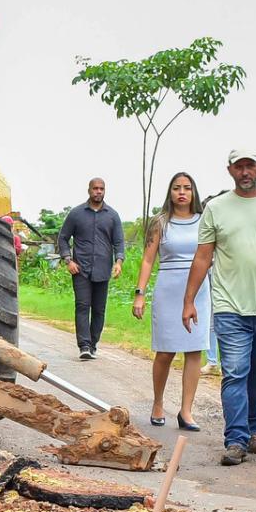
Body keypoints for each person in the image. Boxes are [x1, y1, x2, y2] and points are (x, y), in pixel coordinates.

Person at [182, 150, 256, 465]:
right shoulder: (216, 208)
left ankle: (252, 429)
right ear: (230, 169)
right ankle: (235, 439)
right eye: (239, 166)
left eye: (250, 165)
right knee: (234, 373)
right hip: (230, 306)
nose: (245, 171)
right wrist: (189, 300)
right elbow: (203, 256)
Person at [131, 172, 207, 430]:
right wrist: (139, 293)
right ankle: (158, 402)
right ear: (170, 192)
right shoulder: (160, 223)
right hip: (168, 287)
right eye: (177, 188)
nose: (182, 192)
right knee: (165, 351)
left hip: (199, 290)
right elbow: (148, 260)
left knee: (194, 350)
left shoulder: (204, 221)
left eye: (187, 187)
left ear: (194, 192)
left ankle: (186, 411)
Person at [56, 178, 125, 359]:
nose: (98, 192)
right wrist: (68, 260)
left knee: (99, 310)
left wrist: (119, 262)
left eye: (101, 189)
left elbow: (119, 242)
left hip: (103, 269)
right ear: (89, 190)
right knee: (82, 306)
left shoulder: (112, 215)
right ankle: (84, 346)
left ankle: (93, 343)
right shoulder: (76, 214)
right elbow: (63, 238)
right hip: (80, 269)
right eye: (95, 188)